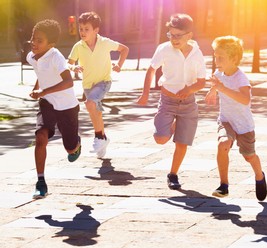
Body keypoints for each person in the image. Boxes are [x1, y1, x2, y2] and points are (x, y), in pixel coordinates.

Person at [137, 14, 206, 190]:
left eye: (178, 35)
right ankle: (172, 125)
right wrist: (145, 94)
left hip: (188, 103)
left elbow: (201, 82)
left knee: (182, 143)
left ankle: (173, 174)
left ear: (189, 35)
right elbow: (151, 70)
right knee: (160, 139)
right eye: (171, 34)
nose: (173, 39)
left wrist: (188, 90)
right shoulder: (164, 49)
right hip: (167, 100)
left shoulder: (197, 54)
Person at [205, 36, 267, 201]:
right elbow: (216, 85)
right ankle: (224, 185)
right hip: (226, 120)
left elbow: (245, 99)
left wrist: (222, 88)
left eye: (220, 57)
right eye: (215, 56)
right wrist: (212, 91)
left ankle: (259, 176)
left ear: (234, 59)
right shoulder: (218, 73)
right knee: (223, 143)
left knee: (249, 156)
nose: (216, 60)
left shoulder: (241, 78)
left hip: (244, 125)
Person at [27, 19, 81, 199]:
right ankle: (40, 182)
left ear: (50, 45)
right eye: (33, 38)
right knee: (40, 136)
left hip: (67, 106)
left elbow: (68, 81)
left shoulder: (56, 57)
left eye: (39, 40)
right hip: (47, 103)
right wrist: (38, 90)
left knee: (70, 149)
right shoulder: (31, 56)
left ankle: (76, 145)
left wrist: (43, 90)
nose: (34, 43)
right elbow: (41, 74)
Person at [68, 11, 129, 159]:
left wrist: (119, 65)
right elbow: (69, 62)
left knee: (90, 104)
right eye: (81, 29)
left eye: (86, 29)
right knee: (96, 112)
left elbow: (124, 49)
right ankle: (103, 139)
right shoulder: (78, 46)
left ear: (96, 30)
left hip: (104, 82)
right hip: (88, 85)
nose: (82, 32)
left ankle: (98, 138)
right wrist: (73, 67)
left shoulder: (105, 43)